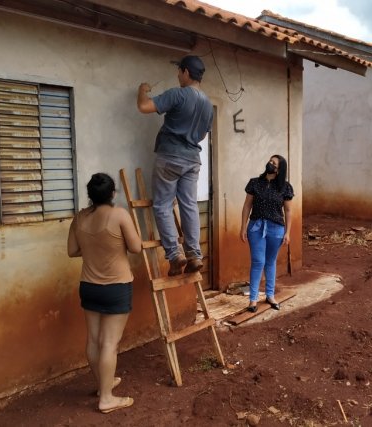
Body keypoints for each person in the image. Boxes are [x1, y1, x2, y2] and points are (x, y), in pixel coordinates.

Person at [67, 173, 142, 414]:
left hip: (89, 286)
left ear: (90, 195)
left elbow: (72, 250)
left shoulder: (79, 218)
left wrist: (93, 249)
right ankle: (107, 398)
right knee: (110, 343)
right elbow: (135, 247)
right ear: (112, 194)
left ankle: (103, 385)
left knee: (94, 340)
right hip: (116, 287)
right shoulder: (119, 214)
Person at [136, 55, 213, 276]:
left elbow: (144, 106)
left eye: (179, 71)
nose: (178, 76)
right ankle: (194, 255)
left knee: (162, 205)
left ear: (186, 72)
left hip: (169, 155)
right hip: (192, 159)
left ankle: (174, 255)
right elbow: (201, 135)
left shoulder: (178, 94)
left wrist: (142, 90)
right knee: (189, 205)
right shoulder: (207, 104)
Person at [240, 155, 294, 313]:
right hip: (256, 227)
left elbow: (289, 211)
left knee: (270, 262)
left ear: (279, 169)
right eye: (270, 161)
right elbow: (246, 207)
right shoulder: (255, 183)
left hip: (276, 229)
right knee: (258, 261)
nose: (270, 164)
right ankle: (253, 299)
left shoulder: (285, 187)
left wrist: (288, 232)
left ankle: (270, 295)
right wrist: (243, 227)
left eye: (274, 163)